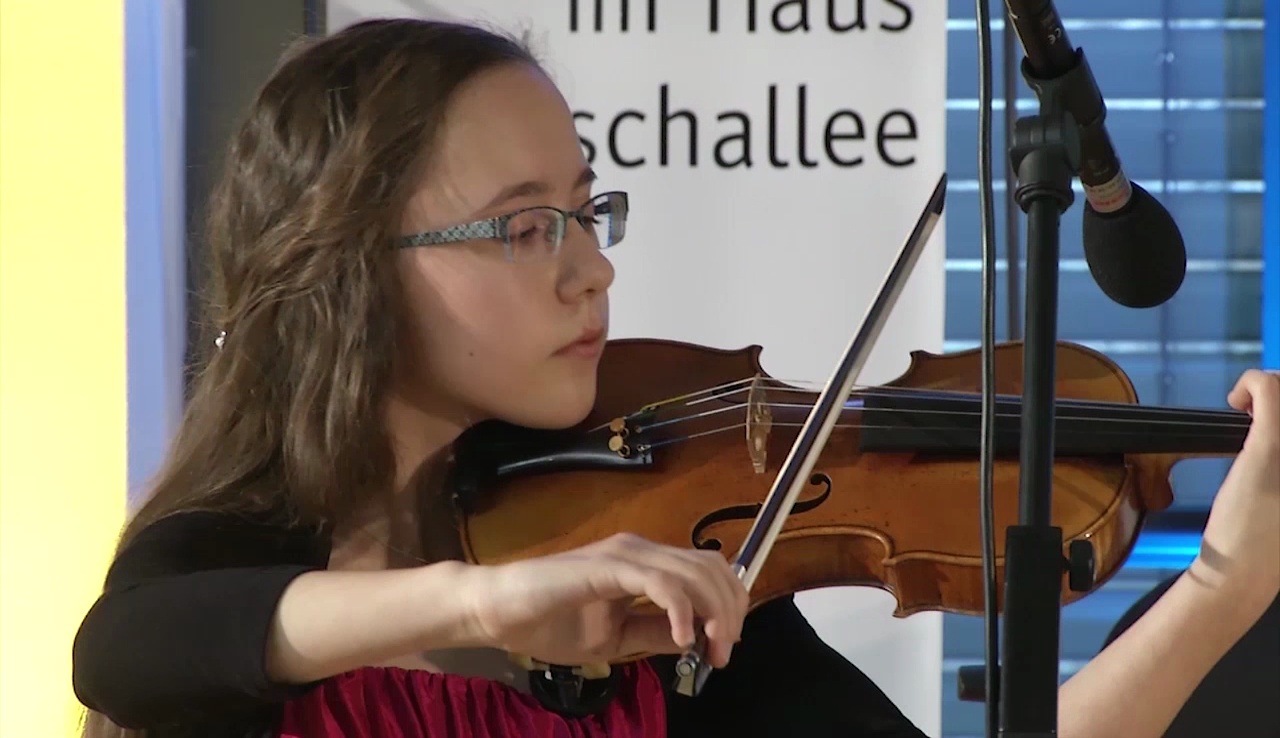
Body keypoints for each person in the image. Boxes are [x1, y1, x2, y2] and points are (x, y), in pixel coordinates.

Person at [71, 17, 1280, 738]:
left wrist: (1218, 593)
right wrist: (483, 603)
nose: (591, 268)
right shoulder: (239, 561)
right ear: (351, 270)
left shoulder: (665, 575)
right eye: (524, 226)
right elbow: (125, 650)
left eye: (586, 211)